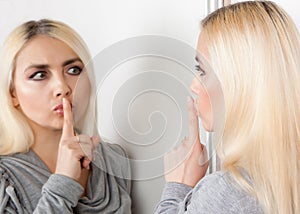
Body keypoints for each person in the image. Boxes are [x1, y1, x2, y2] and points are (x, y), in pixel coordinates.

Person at [155, 1, 300, 214]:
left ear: (240, 81)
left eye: (201, 70)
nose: (193, 85)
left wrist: (178, 185)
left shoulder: (229, 190)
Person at [0, 19, 131, 213]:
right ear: (12, 93)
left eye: (73, 70)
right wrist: (64, 183)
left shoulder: (113, 160)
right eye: (39, 75)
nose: (62, 87)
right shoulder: (5, 178)